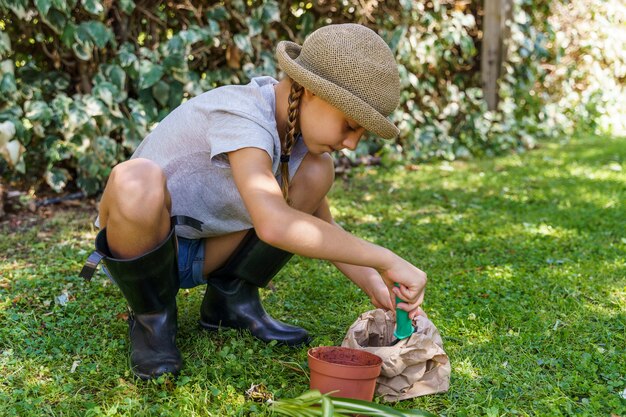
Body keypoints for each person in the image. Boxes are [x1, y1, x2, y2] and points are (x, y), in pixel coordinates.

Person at [80, 23, 427, 380]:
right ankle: (152, 320)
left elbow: (320, 226)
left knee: (317, 172)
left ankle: (230, 303)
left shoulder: (301, 141)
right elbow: (275, 223)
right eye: (350, 125)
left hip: (203, 252)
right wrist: (388, 258)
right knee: (134, 178)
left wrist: (374, 282)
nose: (353, 144)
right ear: (309, 91)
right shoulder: (243, 114)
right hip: (141, 250)